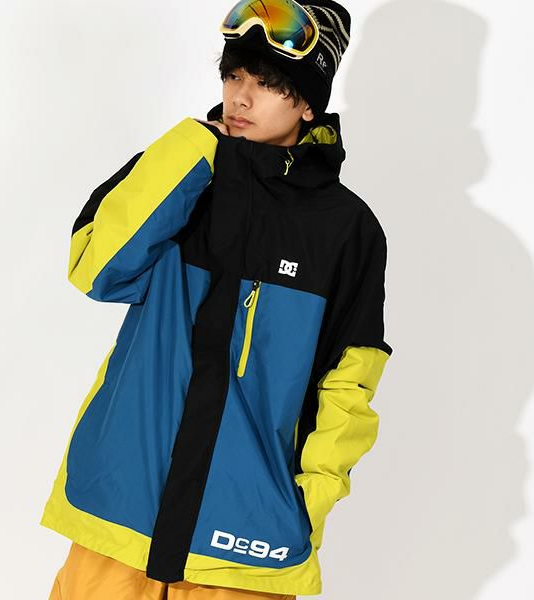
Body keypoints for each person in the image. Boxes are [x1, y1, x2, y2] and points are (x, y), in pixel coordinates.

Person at [41, 1, 394, 598]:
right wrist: (190, 151)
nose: (241, 98)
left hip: (242, 539)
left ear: (308, 104)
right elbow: (96, 270)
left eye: (269, 84)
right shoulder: (182, 175)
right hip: (118, 514)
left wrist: (308, 504)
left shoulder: (345, 230)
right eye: (234, 76)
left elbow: (349, 383)